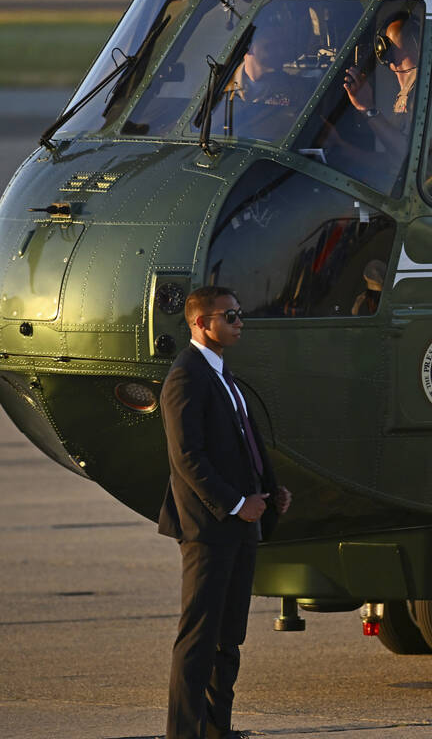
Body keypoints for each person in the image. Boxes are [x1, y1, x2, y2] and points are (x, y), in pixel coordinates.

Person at [158, 285, 292, 739]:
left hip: (241, 526)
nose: (239, 323)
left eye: (240, 314)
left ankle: (218, 729)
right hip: (209, 527)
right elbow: (187, 457)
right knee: (198, 638)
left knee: (228, 637)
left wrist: (270, 492)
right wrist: (237, 503)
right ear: (201, 323)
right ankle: (183, 732)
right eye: (229, 316)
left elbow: (244, 443)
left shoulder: (222, 374)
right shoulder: (186, 377)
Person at [343, 11, 422, 158]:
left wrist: (367, 108)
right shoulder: (409, 90)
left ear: (384, 50)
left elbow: (406, 155)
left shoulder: (422, 90)